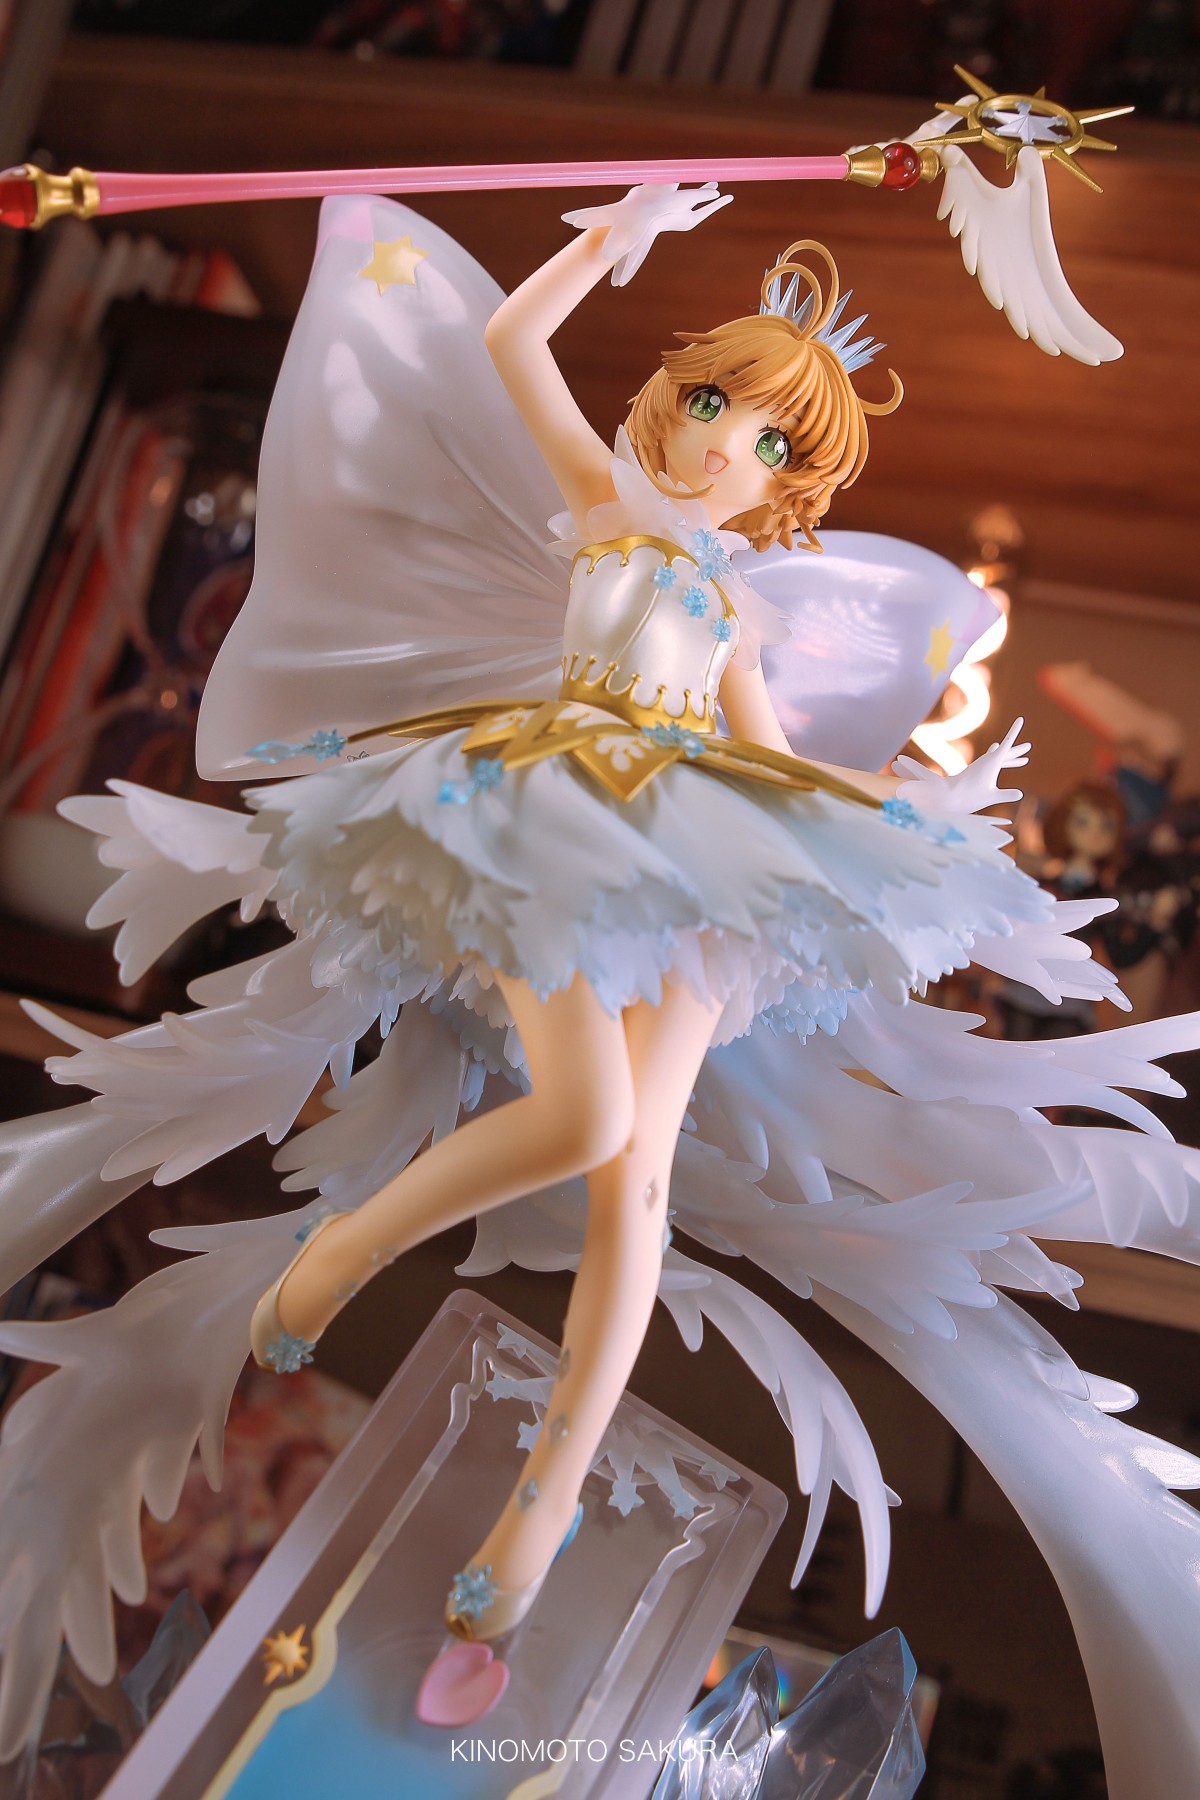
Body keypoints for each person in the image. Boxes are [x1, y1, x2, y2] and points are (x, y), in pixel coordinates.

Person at [1, 187, 1198, 1788]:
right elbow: (511, 341)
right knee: (579, 1121)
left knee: (635, 1188)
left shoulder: (735, 600)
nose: (718, 447)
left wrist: (892, 819)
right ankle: (341, 1252)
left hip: (697, 871)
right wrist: (613, 237)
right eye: (710, 401)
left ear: (788, 484)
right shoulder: (605, 507)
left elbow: (773, 757)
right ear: (671, 393)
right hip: (545, 818)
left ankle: (530, 1533)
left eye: (765, 442)